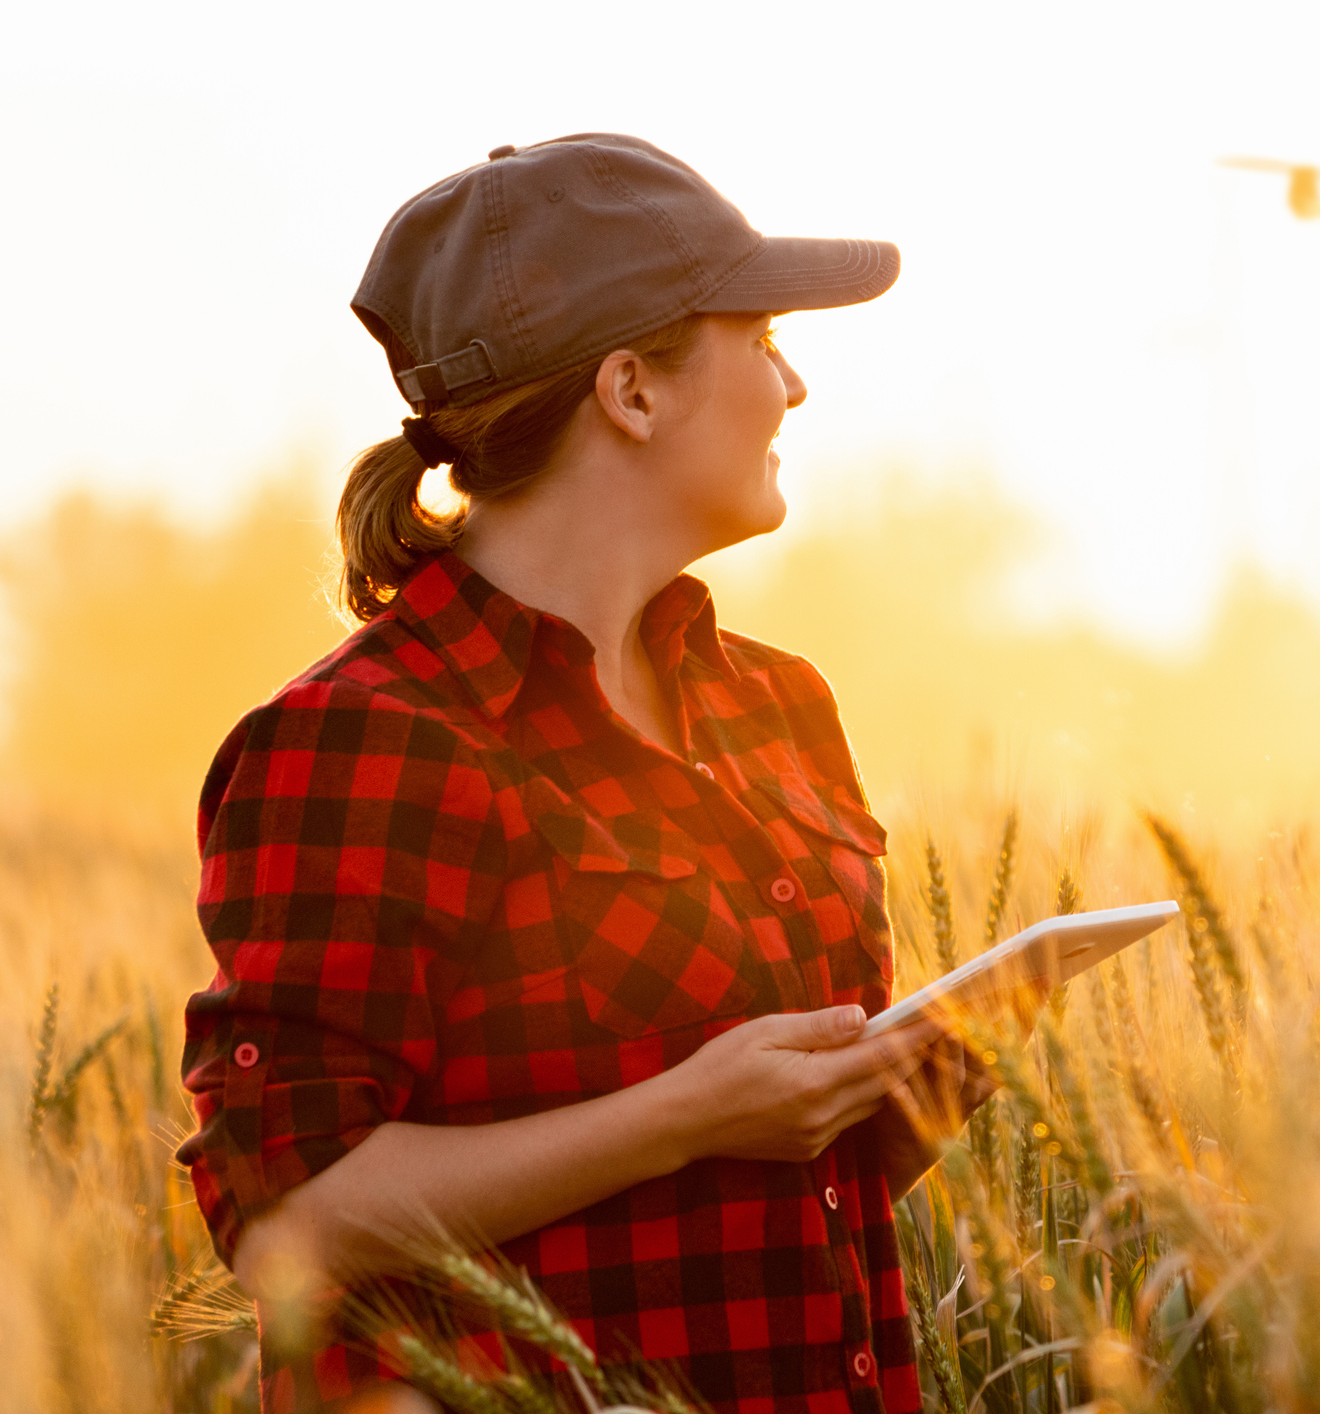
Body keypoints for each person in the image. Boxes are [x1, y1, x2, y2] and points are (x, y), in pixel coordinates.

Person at [179, 133, 1005, 1414]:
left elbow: (753, 1199)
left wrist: (888, 1098)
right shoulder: (367, 740)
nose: (794, 387)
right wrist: (684, 1113)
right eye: (763, 339)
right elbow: (291, 1229)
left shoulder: (777, 706)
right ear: (631, 389)